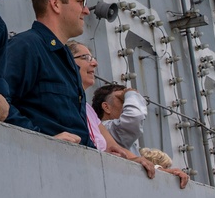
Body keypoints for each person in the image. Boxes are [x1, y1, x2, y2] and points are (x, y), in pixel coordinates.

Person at [68, 41, 188, 187]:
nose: (94, 63)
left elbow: (118, 149)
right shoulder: (65, 102)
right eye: (86, 57)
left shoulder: (88, 110)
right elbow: (133, 119)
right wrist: (130, 93)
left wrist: (158, 169)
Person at [4, 0, 91, 145]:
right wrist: (40, 138)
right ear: (56, 3)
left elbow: (76, 127)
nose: (86, 10)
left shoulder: (66, 59)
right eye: (81, 2)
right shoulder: (26, 46)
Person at [93, 83, 148, 153]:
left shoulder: (113, 130)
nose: (127, 104)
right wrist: (130, 94)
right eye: (122, 100)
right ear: (106, 107)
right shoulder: (107, 129)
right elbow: (135, 117)